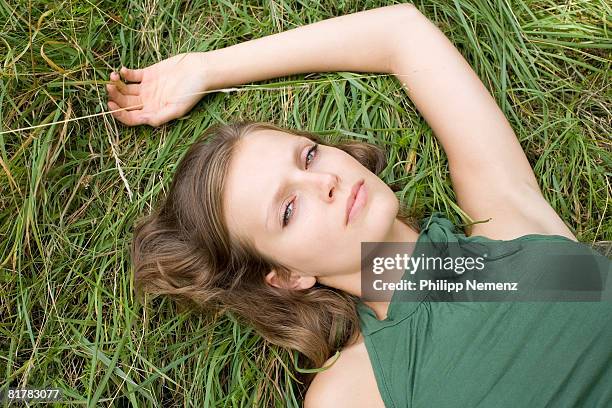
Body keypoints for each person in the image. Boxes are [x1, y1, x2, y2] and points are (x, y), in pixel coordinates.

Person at [107, 4, 612, 407]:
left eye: (307, 156)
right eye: (287, 210)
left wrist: (208, 67)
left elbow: (401, 33)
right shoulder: (355, 391)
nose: (325, 180)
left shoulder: (506, 218)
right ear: (286, 276)